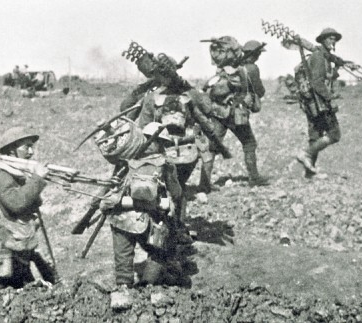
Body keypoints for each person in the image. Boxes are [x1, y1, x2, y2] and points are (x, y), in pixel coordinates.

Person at [100, 122, 188, 304]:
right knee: (161, 251)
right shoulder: (165, 164)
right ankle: (149, 286)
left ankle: (123, 290)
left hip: (121, 217)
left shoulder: (125, 161)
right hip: (150, 219)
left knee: (123, 255)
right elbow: (177, 193)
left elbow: (112, 187)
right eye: (163, 143)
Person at [0, 127, 58, 300]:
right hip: (2, 252)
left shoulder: (19, 176)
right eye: (26, 147)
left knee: (23, 300)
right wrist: (37, 179)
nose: (30, 152)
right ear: (11, 150)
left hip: (18, 250)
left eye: (31, 147)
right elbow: (17, 204)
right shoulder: (0, 177)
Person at [199, 36, 269, 191]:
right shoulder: (251, 69)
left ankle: (204, 183)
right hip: (235, 114)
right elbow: (260, 91)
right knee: (249, 143)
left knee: (212, 146)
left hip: (218, 111)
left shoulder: (227, 68)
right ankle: (254, 177)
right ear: (255, 55)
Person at [295, 28, 354, 178]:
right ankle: (305, 153)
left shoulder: (324, 57)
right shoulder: (319, 57)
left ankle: (310, 172)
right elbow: (317, 82)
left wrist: (339, 66)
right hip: (320, 103)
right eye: (329, 38)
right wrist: (330, 99)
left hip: (313, 103)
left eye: (334, 39)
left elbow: (327, 78)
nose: (332, 41)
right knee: (334, 134)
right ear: (322, 40)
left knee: (315, 135)